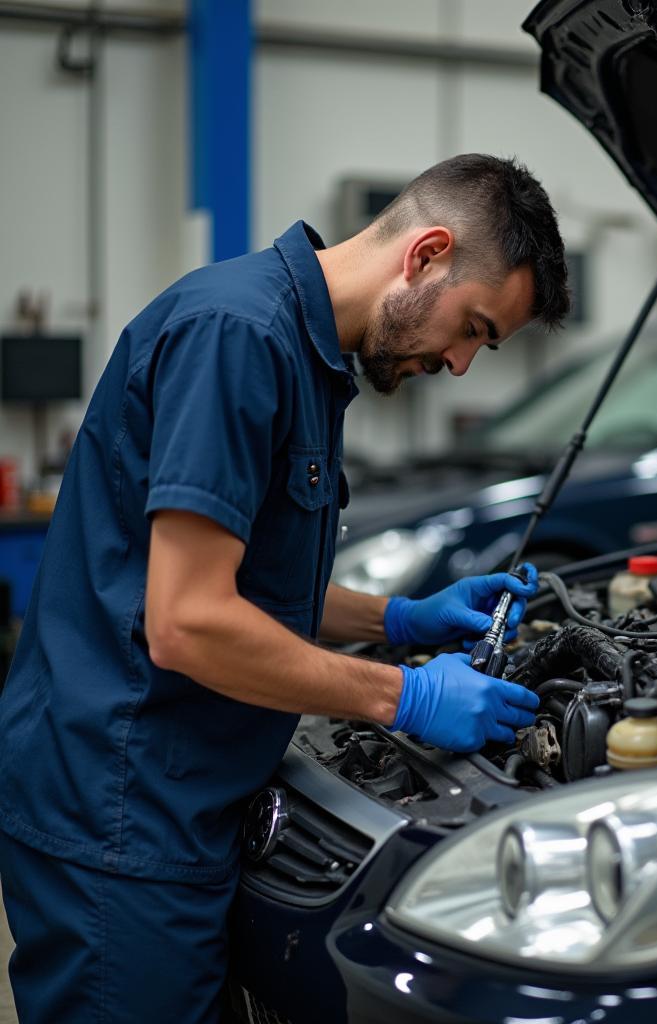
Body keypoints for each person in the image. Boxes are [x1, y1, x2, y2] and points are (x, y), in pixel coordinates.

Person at [0, 153, 570, 1023]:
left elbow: (244, 584)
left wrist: (401, 617)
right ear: (427, 255)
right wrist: (401, 695)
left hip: (182, 800)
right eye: (474, 328)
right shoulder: (238, 336)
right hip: (118, 813)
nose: (460, 364)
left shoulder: (305, 354)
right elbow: (189, 623)